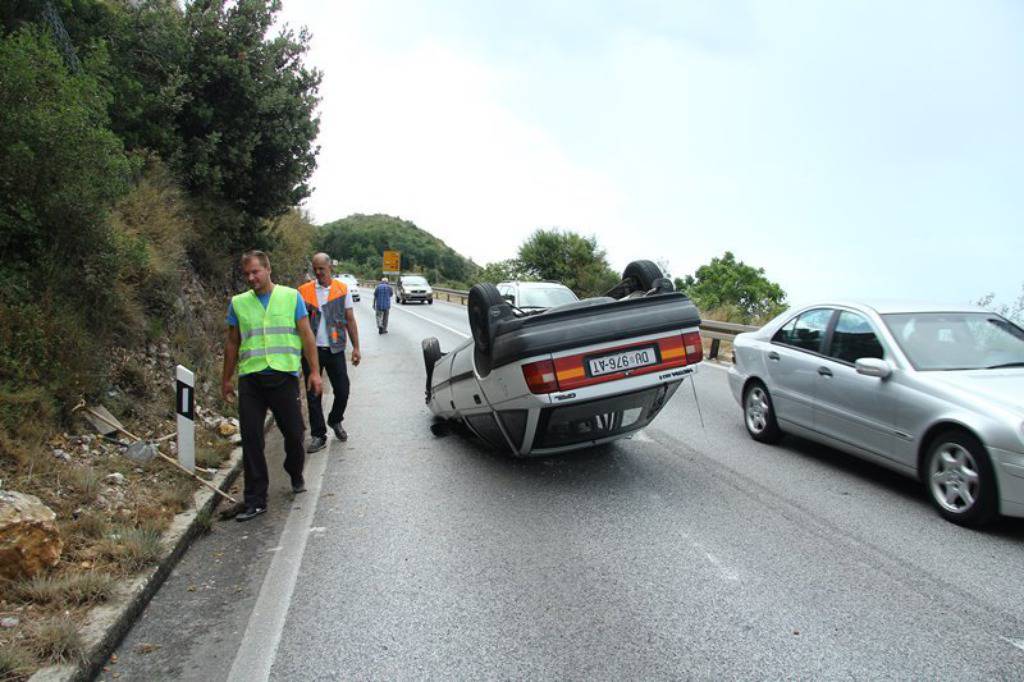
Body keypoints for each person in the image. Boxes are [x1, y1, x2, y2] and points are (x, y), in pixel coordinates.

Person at [221, 250, 322, 522]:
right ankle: (255, 499)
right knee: (252, 438)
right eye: (246, 274)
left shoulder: (291, 297)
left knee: (294, 433)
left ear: (268, 269)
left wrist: (314, 371)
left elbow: (306, 334)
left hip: (283, 375)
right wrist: (227, 378)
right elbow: (232, 342)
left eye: (255, 271)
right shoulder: (239, 303)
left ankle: (295, 470)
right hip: (251, 378)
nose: (251, 278)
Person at [298, 253, 361, 453]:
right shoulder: (303, 291)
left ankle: (335, 420)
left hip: (335, 348)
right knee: (313, 393)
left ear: (329, 268)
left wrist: (356, 347)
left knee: (343, 390)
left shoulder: (342, 289)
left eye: (321, 269)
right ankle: (318, 435)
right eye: (315, 269)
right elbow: (296, 323)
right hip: (311, 350)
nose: (318, 272)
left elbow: (350, 319)